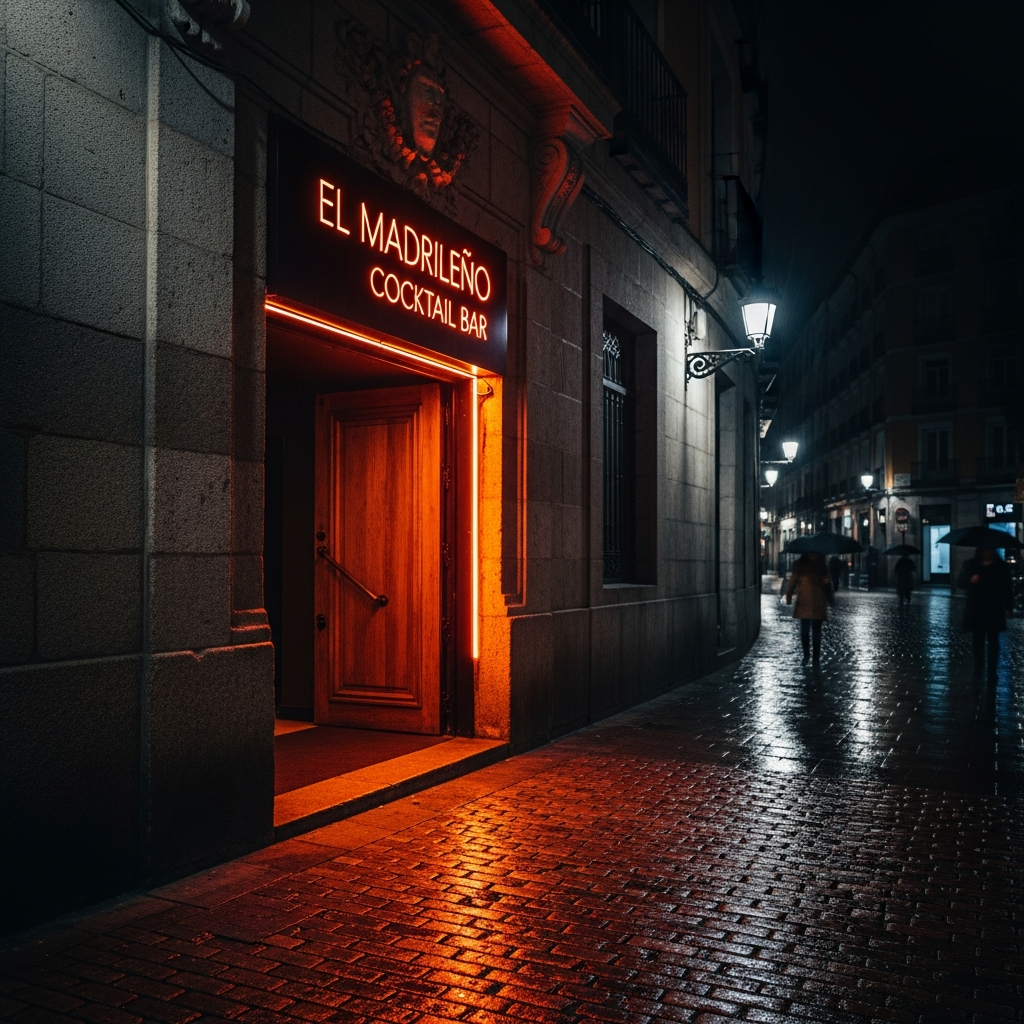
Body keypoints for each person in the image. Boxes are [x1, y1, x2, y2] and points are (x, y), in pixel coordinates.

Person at [957, 547, 1013, 681]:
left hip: (994, 607)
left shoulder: (1001, 567)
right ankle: (978, 668)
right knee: (978, 639)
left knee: (993, 640)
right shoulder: (971, 565)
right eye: (984, 550)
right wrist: (971, 581)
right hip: (977, 606)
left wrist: (1009, 607)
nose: (986, 552)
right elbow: (961, 583)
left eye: (989, 550)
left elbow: (1007, 588)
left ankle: (992, 670)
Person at [785, 552, 834, 666]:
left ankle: (815, 658)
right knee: (805, 631)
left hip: (817, 601)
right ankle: (807, 655)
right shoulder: (801, 565)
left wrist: (826, 583)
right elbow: (793, 582)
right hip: (805, 601)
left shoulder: (821, 566)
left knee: (816, 631)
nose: (814, 555)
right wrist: (789, 596)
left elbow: (827, 583)